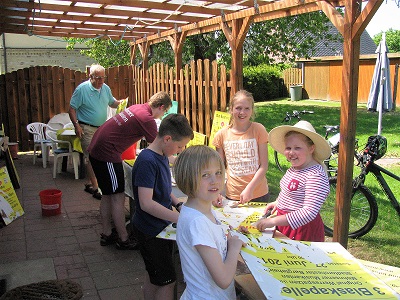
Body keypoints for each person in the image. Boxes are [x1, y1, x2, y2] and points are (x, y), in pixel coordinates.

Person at [87, 91, 172, 250]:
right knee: (118, 197)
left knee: (107, 194)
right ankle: (124, 238)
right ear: (161, 107)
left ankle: (107, 233)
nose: (162, 115)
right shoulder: (147, 119)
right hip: (107, 154)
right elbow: (160, 147)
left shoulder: (138, 108)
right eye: (164, 112)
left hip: (97, 149)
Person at [131, 113, 193, 300]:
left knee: (155, 276)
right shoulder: (147, 161)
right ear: (167, 139)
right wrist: (180, 218)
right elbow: (146, 203)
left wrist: (177, 204)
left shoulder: (162, 155)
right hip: (150, 231)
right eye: (179, 146)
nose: (179, 150)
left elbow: (164, 190)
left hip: (159, 228)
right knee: (168, 281)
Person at [174, 145, 246, 300]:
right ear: (187, 178)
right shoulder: (197, 222)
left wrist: (228, 238)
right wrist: (234, 248)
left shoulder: (204, 210)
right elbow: (224, 280)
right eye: (205, 175)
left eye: (218, 173)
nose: (215, 181)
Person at [253, 120, 331, 242]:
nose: (291, 152)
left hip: (303, 231)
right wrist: (278, 202)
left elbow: (309, 212)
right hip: (285, 223)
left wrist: (273, 221)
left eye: (297, 148)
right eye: (288, 148)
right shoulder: (296, 168)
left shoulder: (315, 175)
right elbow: (289, 191)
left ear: (311, 148)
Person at [68, 64, 123, 200]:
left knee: (102, 156)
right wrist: (77, 126)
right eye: (98, 78)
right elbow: (72, 109)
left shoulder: (105, 88)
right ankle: (96, 188)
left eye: (103, 78)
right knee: (91, 157)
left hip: (101, 128)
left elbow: (112, 103)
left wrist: (123, 103)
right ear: (90, 76)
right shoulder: (82, 89)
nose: (101, 81)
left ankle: (95, 183)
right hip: (86, 128)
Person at [212, 90, 269, 205]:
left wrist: (250, 189)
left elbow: (264, 166)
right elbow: (219, 168)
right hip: (233, 195)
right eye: (238, 108)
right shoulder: (221, 135)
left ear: (252, 110)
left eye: (247, 108)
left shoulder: (259, 130)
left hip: (259, 194)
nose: (242, 112)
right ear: (231, 109)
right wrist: (216, 191)